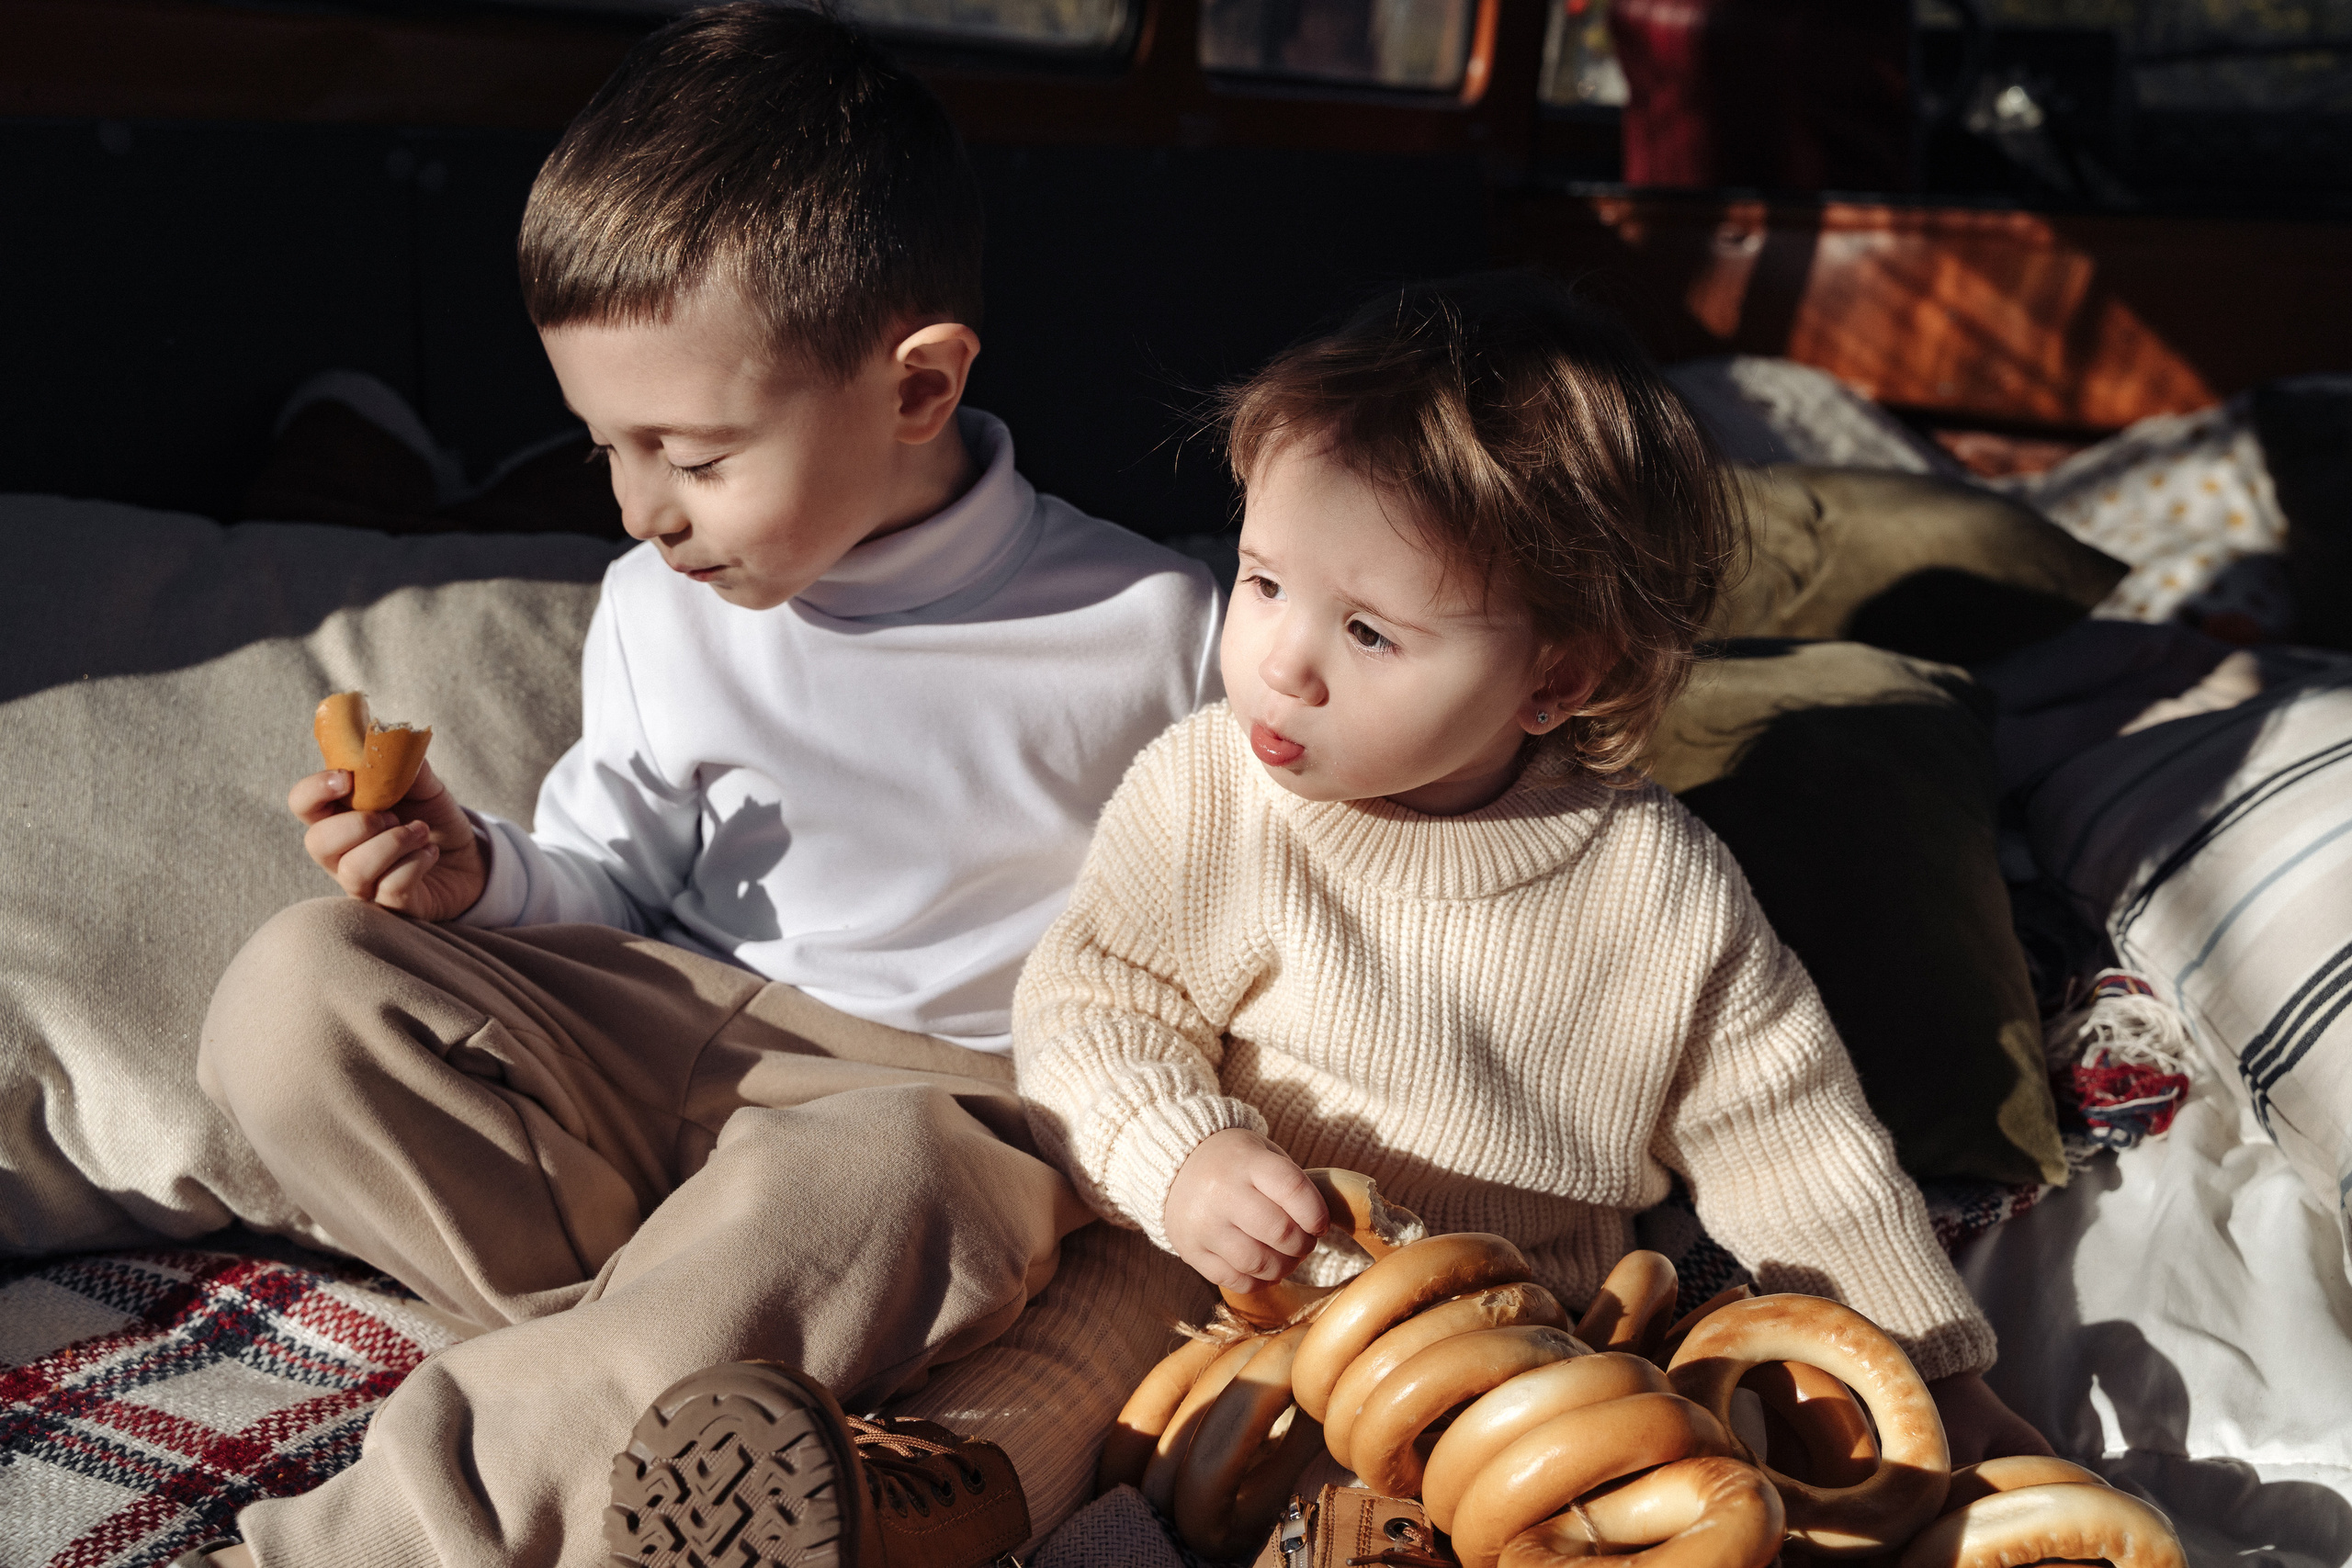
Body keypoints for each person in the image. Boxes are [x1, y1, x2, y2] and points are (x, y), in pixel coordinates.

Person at [193, 7, 1222, 1567]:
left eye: (693, 451)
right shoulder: (658, 605)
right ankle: (671, 1350)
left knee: (874, 1175)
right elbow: (605, 878)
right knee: (296, 989)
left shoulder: (1148, 631)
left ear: (920, 390)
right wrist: (479, 878)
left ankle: (382, 1535)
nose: (640, 510)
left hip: (929, 1112)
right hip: (669, 1059)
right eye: (607, 446)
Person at [1012, 271, 2053, 1468]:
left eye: (1366, 631)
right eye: (1262, 581)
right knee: (1057, 1377)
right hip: (1206, 1267)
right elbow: (1091, 1004)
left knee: (1621, 1476)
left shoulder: (1658, 888)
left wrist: (1923, 1370)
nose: (1282, 661)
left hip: (1509, 1338)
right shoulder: (1212, 791)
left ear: (1557, 679)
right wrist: (1182, 1157)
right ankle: (914, 1501)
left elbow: (1790, 1137)